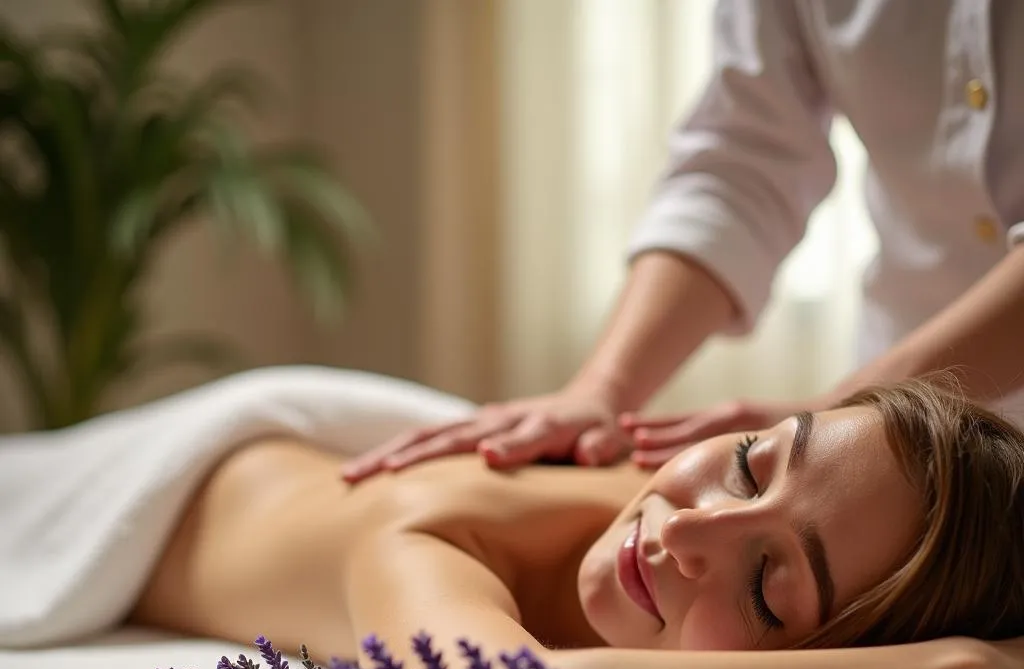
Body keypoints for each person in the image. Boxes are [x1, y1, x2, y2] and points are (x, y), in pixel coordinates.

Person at [132, 376, 1024, 669]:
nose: (691, 532)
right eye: (751, 461)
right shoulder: (424, 532)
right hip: (154, 474)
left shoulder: (658, 518)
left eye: (766, 585)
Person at [341, 0, 1024, 483]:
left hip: (879, 434)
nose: (696, 539)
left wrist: (849, 414)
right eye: (746, 477)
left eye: (750, 478)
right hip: (891, 455)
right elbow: (743, 160)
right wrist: (602, 390)